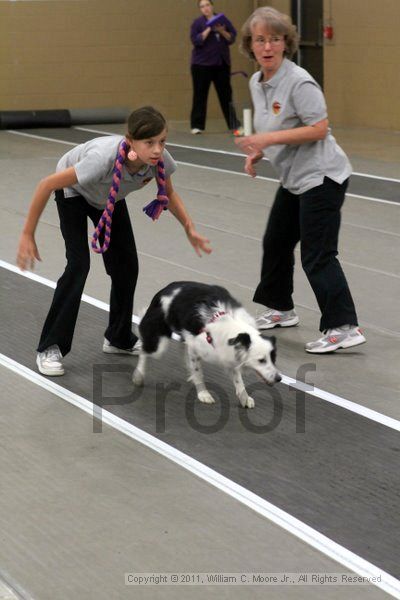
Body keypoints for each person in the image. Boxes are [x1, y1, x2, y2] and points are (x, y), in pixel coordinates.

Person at [17, 106, 212, 376]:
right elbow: (46, 184)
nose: (157, 149)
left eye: (162, 141)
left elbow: (169, 192)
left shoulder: (160, 160)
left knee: (126, 266)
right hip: (73, 192)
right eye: (149, 143)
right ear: (130, 141)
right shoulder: (101, 160)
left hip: (108, 199)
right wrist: (28, 234)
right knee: (78, 265)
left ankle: (118, 337)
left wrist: (189, 227)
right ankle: (50, 346)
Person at [236, 7, 366, 354]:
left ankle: (344, 326)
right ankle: (280, 308)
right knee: (276, 241)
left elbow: (319, 128)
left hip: (322, 177)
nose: (267, 46)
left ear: (285, 43)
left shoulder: (299, 81)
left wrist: (266, 142)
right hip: (294, 178)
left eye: (274, 39)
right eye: (260, 40)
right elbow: (273, 129)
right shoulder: (256, 82)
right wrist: (258, 152)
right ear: (251, 45)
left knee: (317, 254)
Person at [190, 0, 243, 135]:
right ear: (200, 9)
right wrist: (209, 28)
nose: (206, 8)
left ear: (212, 6)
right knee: (200, 95)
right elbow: (196, 41)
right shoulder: (198, 23)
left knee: (226, 96)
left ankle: (234, 125)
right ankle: (197, 125)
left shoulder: (223, 20)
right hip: (201, 65)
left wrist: (221, 30)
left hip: (221, 64)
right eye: (202, 6)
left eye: (207, 5)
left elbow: (232, 38)